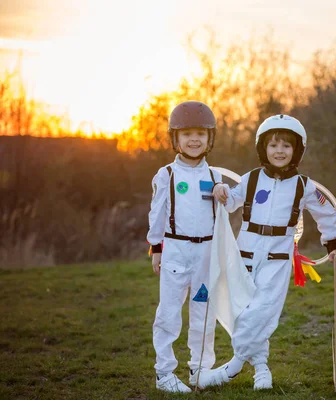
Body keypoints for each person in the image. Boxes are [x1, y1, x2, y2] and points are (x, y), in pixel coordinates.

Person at [205, 114, 336, 390]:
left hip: (277, 258)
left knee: (262, 311)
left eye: (286, 146)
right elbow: (231, 202)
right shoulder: (251, 178)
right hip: (245, 255)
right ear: (263, 148)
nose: (279, 151)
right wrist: (221, 189)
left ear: (297, 150)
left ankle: (233, 367)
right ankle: (261, 369)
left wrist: (334, 245)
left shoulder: (304, 186)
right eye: (273, 145)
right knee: (243, 311)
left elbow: (327, 213)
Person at [147, 101, 223, 393]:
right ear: (175, 138)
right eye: (187, 133)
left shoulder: (215, 176)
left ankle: (200, 369)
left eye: (201, 134)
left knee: (203, 311)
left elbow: (232, 209)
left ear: (210, 138)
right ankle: (164, 372)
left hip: (206, 255)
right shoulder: (166, 174)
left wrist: (226, 194)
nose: (194, 139)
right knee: (168, 313)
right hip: (176, 253)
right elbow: (157, 213)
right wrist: (156, 248)